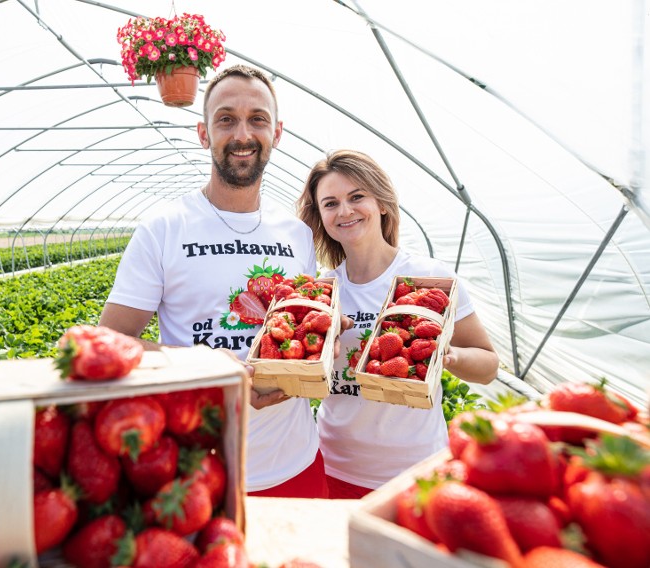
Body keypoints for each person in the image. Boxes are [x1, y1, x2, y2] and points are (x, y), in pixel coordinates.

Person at [99, 65, 329, 498]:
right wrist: (207, 366)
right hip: (198, 471)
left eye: (257, 119)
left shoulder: (298, 235)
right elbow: (110, 341)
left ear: (277, 133)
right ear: (203, 133)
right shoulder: (164, 229)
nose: (243, 133)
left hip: (296, 462)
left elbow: (299, 331)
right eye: (226, 119)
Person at [296, 149, 499, 499]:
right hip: (333, 465)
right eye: (330, 203)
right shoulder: (322, 291)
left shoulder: (429, 279)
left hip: (416, 469)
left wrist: (447, 356)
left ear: (383, 204)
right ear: (320, 216)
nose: (344, 211)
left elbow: (488, 366)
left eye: (356, 197)